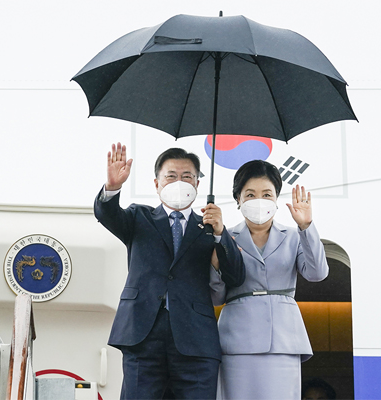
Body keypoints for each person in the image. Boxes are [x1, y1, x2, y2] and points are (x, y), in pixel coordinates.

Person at [94, 142, 245, 400]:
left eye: (187, 176)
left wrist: (221, 234)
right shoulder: (138, 218)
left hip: (195, 339)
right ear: (157, 184)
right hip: (143, 334)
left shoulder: (210, 227)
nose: (180, 182)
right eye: (171, 176)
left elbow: (236, 276)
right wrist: (112, 187)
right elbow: (107, 214)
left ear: (198, 184)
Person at [210, 159, 329, 399]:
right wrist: (215, 256)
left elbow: (317, 273)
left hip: (284, 340)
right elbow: (216, 296)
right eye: (250, 194)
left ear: (276, 198)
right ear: (238, 200)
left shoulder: (295, 235)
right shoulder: (225, 236)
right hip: (237, 340)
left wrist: (306, 226)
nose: (259, 200)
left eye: (266, 194)